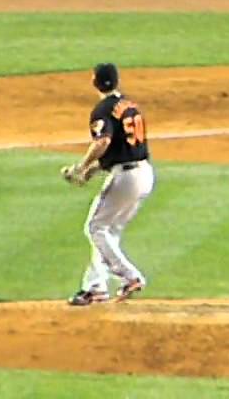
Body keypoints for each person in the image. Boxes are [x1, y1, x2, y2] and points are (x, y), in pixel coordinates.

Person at [61, 63, 155, 306]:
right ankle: (95, 288)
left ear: (95, 81)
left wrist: (80, 167)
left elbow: (103, 142)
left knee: (95, 227)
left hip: (127, 177)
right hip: (144, 173)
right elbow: (120, 147)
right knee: (107, 232)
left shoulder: (102, 109)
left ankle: (130, 276)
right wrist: (92, 170)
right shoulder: (129, 105)